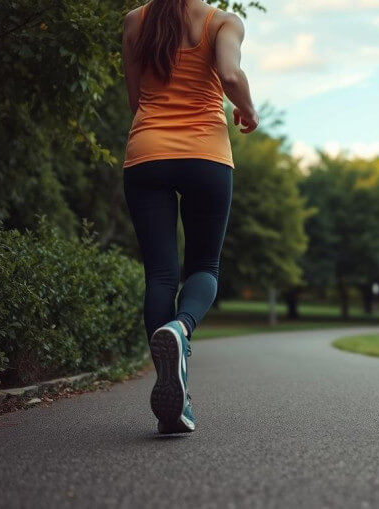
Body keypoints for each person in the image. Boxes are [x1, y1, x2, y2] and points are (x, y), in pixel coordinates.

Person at [121, 0, 258, 434]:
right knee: (204, 266)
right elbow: (231, 75)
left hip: (147, 155)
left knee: (160, 276)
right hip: (205, 155)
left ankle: (174, 391)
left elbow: (135, 98)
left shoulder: (133, 22)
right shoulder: (223, 22)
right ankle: (181, 329)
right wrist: (248, 110)